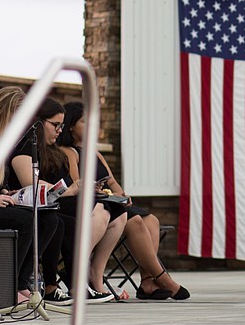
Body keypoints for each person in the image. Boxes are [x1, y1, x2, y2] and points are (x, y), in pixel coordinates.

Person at [58, 101, 189, 300]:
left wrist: (122, 195)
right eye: (85, 122)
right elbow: (77, 183)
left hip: (111, 201)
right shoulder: (69, 151)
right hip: (95, 206)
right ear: (70, 126)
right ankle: (162, 277)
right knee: (135, 221)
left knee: (151, 220)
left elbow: (111, 180)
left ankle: (147, 282)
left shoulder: (95, 153)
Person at [8, 98, 121, 302]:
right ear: (38, 122)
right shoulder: (25, 147)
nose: (59, 130)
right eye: (55, 125)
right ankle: (55, 284)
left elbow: (67, 184)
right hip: (32, 204)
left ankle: (76, 282)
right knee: (60, 222)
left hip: (52, 203)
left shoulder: (53, 151)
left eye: (62, 125)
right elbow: (29, 182)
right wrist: (71, 189)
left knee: (84, 216)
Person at [0, 86, 67, 304]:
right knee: (27, 220)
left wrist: (3, 192)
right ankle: (9, 284)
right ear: (4, 111)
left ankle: (21, 282)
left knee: (49, 219)